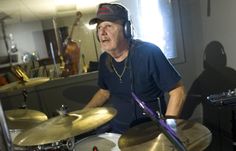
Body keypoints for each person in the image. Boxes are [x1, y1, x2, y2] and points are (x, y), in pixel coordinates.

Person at [84, 3, 186, 134]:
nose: (102, 32)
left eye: (108, 26)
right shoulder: (104, 59)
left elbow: (178, 92)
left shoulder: (149, 53)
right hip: (118, 135)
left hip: (151, 134)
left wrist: (167, 130)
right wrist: (82, 115)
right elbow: (104, 92)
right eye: (99, 27)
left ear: (127, 29)